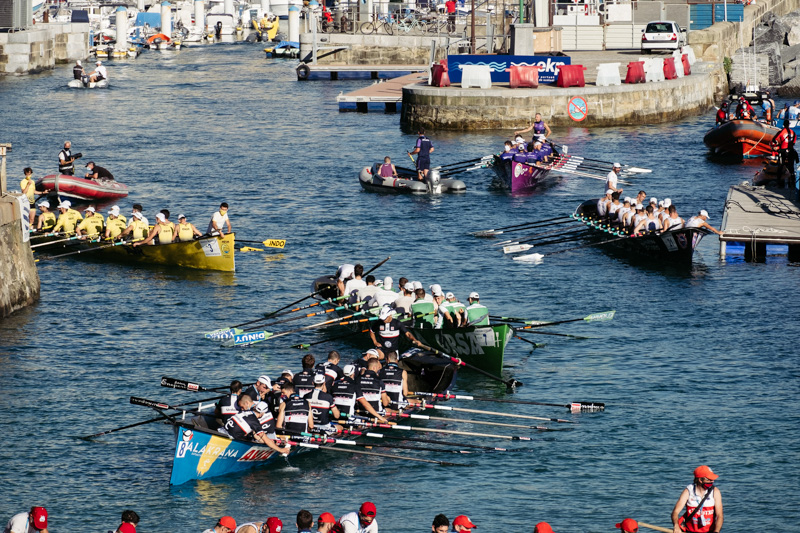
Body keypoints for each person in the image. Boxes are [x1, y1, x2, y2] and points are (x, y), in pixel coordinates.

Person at [671, 465, 723, 533]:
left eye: (712, 479)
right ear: (700, 480)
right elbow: (675, 512)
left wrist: (716, 531)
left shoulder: (715, 492)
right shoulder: (688, 491)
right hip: (689, 531)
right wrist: (676, 526)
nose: (712, 481)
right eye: (709, 479)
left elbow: (720, 515)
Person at [770, 119, 797, 186]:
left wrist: (778, 145)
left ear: (784, 124)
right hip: (791, 151)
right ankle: (792, 183)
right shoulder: (793, 132)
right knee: (791, 167)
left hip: (783, 151)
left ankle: (779, 182)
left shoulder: (781, 132)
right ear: (789, 124)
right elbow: (793, 143)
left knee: (781, 166)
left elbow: (774, 139)